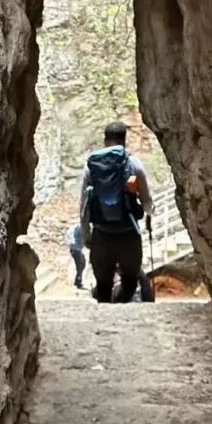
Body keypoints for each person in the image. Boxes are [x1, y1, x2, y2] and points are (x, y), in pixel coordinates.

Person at [79, 121, 155, 303]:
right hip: (128, 235)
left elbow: (84, 205)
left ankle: (106, 314)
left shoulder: (91, 166)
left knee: (103, 287)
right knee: (130, 282)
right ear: (124, 140)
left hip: (101, 235)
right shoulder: (134, 164)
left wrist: (86, 234)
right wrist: (148, 216)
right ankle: (121, 307)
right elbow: (146, 201)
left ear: (105, 141)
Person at [66, 224, 85, 289]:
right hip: (76, 249)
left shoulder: (75, 227)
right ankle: (78, 282)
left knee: (82, 263)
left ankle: (78, 280)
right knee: (80, 265)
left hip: (75, 248)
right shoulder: (80, 228)